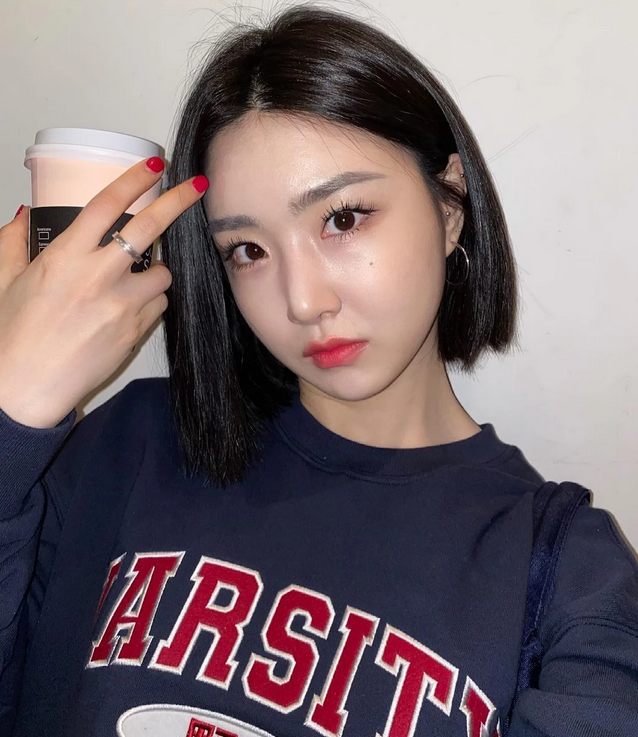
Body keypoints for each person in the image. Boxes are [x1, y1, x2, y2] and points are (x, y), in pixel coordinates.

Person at [0, 5, 636, 736]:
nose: (303, 301)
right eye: (248, 250)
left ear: (450, 206)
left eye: (343, 218)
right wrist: (13, 408)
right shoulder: (128, 447)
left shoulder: (565, 572)